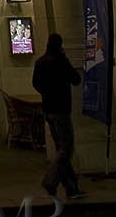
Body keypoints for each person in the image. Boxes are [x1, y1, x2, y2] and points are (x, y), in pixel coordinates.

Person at [31, 34, 84, 200]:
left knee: (61, 149)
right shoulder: (61, 62)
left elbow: (35, 83)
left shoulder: (40, 62)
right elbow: (76, 79)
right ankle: (50, 180)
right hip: (61, 109)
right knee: (66, 149)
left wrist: (46, 93)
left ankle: (71, 188)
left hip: (48, 109)